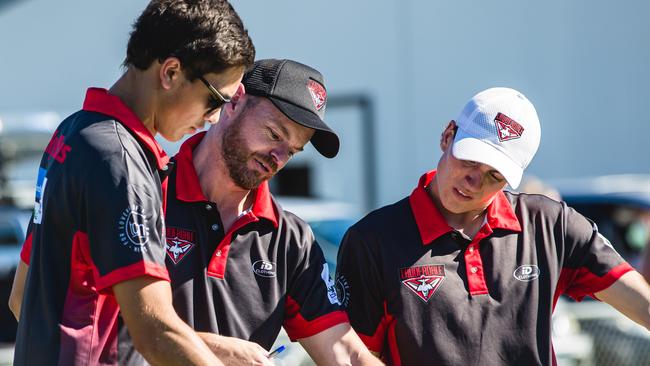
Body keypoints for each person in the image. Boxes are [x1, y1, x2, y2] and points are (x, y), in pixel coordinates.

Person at [8, 1, 254, 365]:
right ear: (170, 72)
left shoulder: (74, 134)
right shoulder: (122, 161)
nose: (213, 118)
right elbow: (154, 331)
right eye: (215, 99)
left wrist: (209, 345)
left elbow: (22, 296)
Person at [335, 87, 650, 365]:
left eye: (494, 175)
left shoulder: (549, 225)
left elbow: (638, 300)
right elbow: (356, 355)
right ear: (448, 135)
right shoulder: (372, 240)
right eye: (470, 160)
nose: (474, 181)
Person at [121, 59, 382, 366]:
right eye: (274, 134)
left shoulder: (291, 239)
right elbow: (105, 322)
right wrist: (213, 349)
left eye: (293, 150)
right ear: (234, 102)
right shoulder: (145, 191)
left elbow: (346, 353)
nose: (279, 157)